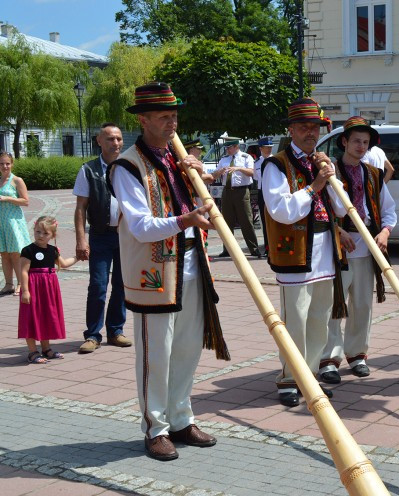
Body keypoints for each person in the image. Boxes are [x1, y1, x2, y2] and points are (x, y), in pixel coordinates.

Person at [109, 81, 227, 461]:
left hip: (193, 264)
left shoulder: (177, 158)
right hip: (155, 273)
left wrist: (198, 178)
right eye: (163, 117)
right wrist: (186, 218)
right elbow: (142, 226)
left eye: (175, 116)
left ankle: (181, 418)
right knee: (155, 354)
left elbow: (197, 206)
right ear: (143, 120)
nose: (172, 123)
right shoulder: (127, 166)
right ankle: (154, 428)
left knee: (188, 348)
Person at [260, 98, 347, 407]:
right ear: (292, 130)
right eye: (305, 127)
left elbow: (341, 208)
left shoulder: (321, 162)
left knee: (320, 318)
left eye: (316, 128)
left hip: (324, 251)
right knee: (295, 319)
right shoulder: (276, 164)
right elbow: (281, 210)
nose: (312, 133)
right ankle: (288, 378)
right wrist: (315, 185)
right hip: (294, 251)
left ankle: (309, 376)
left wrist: (331, 177)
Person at [319, 117, 396, 384]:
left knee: (362, 304)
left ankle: (357, 355)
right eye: (356, 141)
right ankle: (328, 358)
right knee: (333, 306)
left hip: (366, 249)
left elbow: (388, 210)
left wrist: (384, 232)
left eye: (365, 142)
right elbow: (320, 210)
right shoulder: (330, 172)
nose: (361, 146)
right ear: (344, 142)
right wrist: (337, 232)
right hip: (336, 249)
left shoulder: (374, 175)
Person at [73, 122, 132, 354]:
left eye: (118, 139)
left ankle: (116, 331)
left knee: (121, 285)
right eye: (110, 139)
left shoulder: (128, 168)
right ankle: (93, 335)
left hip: (125, 236)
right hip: (99, 236)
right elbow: (80, 208)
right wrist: (81, 239)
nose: (115, 143)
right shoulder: (88, 170)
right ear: (99, 141)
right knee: (98, 286)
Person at [18, 216, 79, 364]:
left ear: (53, 235)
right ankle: (32, 352)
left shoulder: (53, 250)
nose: (40, 236)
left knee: (46, 316)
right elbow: (24, 271)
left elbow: (63, 264)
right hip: (34, 288)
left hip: (49, 289)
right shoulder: (28, 250)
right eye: (38, 232)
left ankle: (46, 348)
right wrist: (25, 291)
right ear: (34, 230)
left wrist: (78, 257)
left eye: (45, 233)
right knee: (32, 318)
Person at [213, 138, 260, 258]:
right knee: (227, 222)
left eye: (229, 148)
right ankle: (227, 249)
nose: (227, 150)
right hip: (227, 192)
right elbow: (214, 175)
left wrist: (238, 168)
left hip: (242, 191)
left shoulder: (245, 157)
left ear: (236, 147)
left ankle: (254, 249)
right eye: (226, 148)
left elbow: (252, 173)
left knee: (246, 221)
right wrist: (220, 172)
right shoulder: (224, 159)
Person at [0, 151, 30, 296]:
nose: (5, 166)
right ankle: (8, 284)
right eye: (1, 163)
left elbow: (26, 201)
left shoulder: (16, 180)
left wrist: (6, 198)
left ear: (12, 164)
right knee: (4, 253)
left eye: (7, 163)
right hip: (1, 222)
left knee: (16, 253)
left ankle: (20, 283)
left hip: (13, 221)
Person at [253, 137, 275, 259]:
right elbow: (256, 177)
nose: (269, 149)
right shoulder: (256, 163)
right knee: (265, 220)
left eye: (270, 147)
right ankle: (267, 248)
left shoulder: (276, 160)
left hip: (273, 192)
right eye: (266, 147)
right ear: (261, 148)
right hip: (262, 193)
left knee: (275, 219)